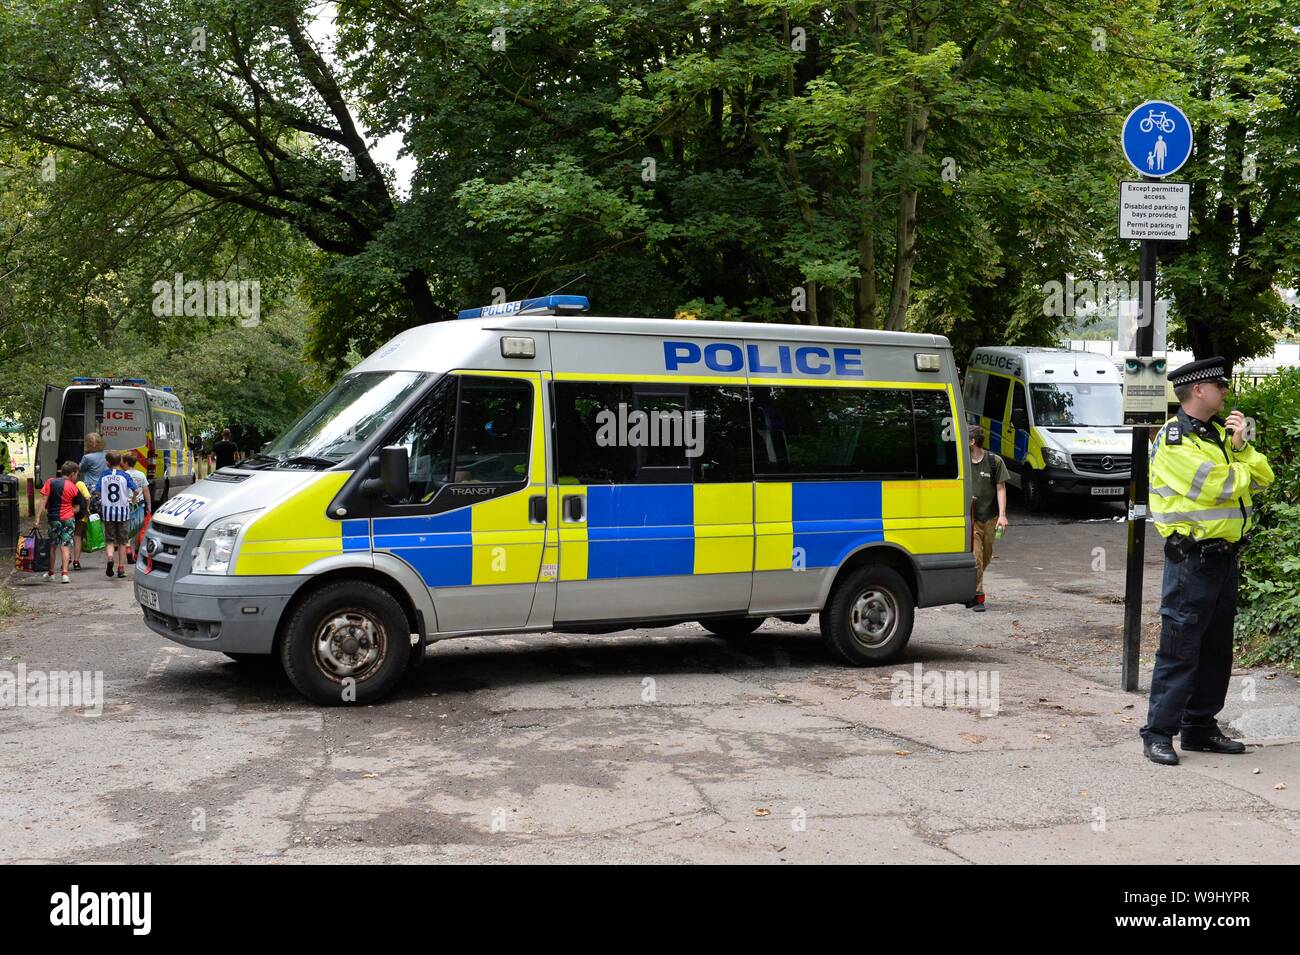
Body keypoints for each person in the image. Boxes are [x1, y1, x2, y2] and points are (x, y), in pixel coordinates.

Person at [1141, 357, 1274, 766]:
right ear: (1198, 390)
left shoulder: (1220, 435)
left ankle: (1200, 728)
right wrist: (1239, 467)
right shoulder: (1173, 439)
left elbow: (1264, 475)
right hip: (1191, 560)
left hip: (1224, 560)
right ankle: (1159, 733)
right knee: (1180, 648)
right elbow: (1216, 487)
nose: (1225, 391)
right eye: (1220, 385)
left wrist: (1241, 448)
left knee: (1217, 650)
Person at [967, 425, 1009, 612]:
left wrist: (1002, 515)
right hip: (972, 518)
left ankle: (970, 583)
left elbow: (1001, 488)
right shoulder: (963, 461)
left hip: (990, 517)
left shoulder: (994, 461)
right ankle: (977, 596)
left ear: (972, 441)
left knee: (986, 556)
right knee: (976, 557)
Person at [34, 461, 83, 583]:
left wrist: (38, 517)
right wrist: (70, 512)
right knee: (65, 547)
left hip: (53, 519)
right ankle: (65, 574)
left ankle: (51, 573)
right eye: (76, 474)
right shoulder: (74, 488)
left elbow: (44, 499)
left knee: (53, 546)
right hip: (68, 520)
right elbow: (77, 508)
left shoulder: (50, 482)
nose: (76, 477)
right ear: (72, 474)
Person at [97, 451, 141, 580]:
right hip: (123, 513)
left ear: (107, 463)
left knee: (110, 540)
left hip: (108, 512)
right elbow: (137, 490)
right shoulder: (125, 475)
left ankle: (110, 558)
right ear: (120, 463)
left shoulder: (104, 475)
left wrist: (104, 498)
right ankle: (121, 568)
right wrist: (132, 499)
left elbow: (98, 491)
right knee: (123, 541)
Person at [123, 451, 152, 561]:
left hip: (127, 505)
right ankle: (136, 552)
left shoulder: (124, 475)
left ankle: (128, 548)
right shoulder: (141, 475)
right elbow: (146, 491)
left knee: (127, 527)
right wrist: (149, 505)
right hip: (139, 505)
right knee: (137, 528)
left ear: (126, 463)